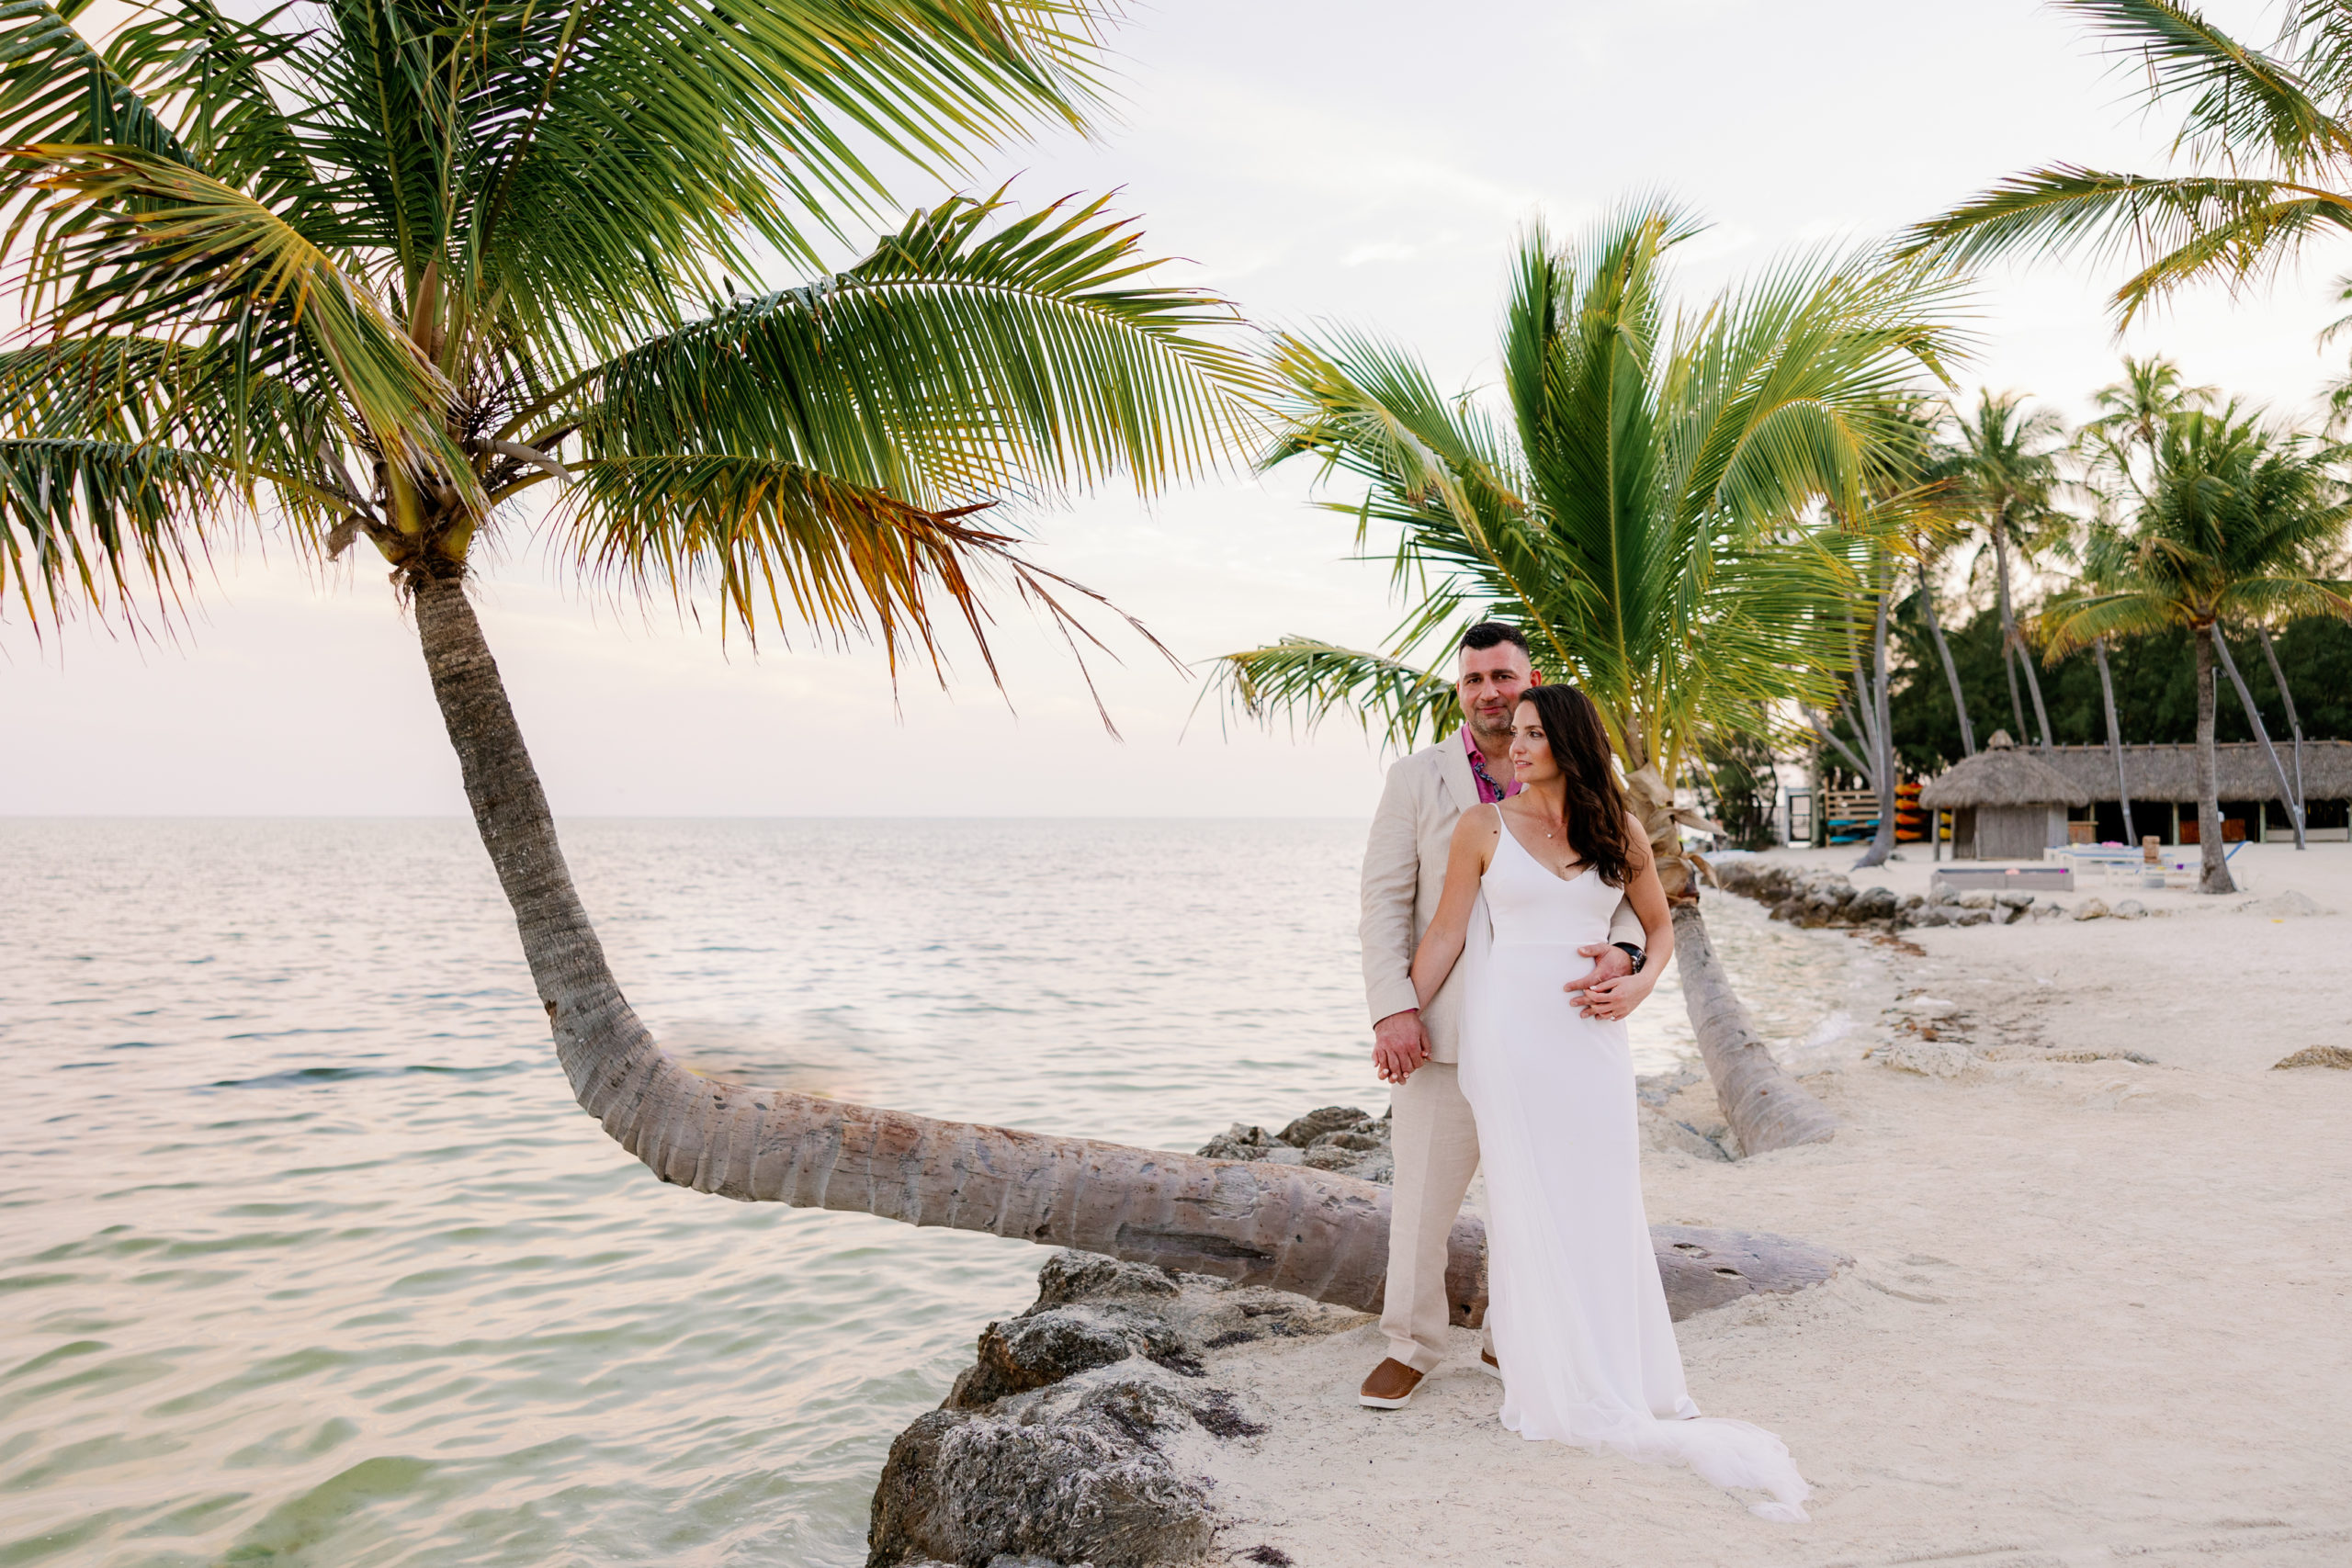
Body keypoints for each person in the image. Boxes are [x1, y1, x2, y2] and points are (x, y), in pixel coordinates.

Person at [1409, 683, 1811, 1522]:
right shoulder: (1481, 827)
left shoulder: (1617, 830)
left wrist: (1637, 986)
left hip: (1592, 1041)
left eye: (1529, 734)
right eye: (1510, 734)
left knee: (1600, 1202)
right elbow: (1447, 932)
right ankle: (1546, 1376)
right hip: (1511, 1041)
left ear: (1566, 740)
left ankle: (1614, 1372)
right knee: (1528, 1204)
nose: (1513, 747)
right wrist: (1398, 1015)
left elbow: (1658, 929)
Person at [1354, 623, 1646, 1412]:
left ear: (1531, 680)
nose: (1490, 691)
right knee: (1421, 1201)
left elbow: (1623, 900)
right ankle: (1410, 1345)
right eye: (1474, 678)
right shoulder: (1417, 780)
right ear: (1461, 689)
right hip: (1444, 1031)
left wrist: (1626, 957)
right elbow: (1386, 903)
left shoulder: (1582, 796)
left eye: (1504, 676)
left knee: (1539, 1190)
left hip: (1552, 1032)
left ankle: (1511, 1335)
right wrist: (1394, 1011)